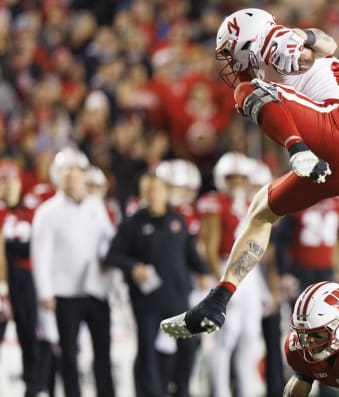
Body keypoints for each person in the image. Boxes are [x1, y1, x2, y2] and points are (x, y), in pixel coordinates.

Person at [161, 8, 339, 338]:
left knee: (247, 93)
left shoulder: (275, 41)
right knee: (260, 212)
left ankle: (296, 150)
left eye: (229, 50)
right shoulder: (278, 45)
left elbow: (311, 53)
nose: (229, 60)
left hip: (332, 131)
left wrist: (295, 44)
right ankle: (219, 298)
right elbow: (326, 45)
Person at [106, 173, 211, 397]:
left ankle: (181, 390)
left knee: (188, 347)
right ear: (142, 194)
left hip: (177, 296)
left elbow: (189, 252)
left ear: (165, 192)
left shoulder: (177, 220)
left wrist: (202, 272)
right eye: (148, 190)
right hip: (146, 300)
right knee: (147, 349)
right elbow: (113, 254)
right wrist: (133, 267)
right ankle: (151, 393)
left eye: (157, 189)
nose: (153, 195)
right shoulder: (133, 223)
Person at [31, 147, 116, 397]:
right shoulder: (47, 212)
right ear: (57, 176)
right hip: (64, 292)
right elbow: (40, 255)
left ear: (84, 175)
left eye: (77, 172)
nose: (72, 177)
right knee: (69, 353)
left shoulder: (95, 206)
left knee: (103, 350)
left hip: (95, 290)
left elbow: (108, 241)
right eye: (66, 173)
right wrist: (45, 292)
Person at [194, 152, 266, 397]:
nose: (236, 183)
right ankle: (221, 392)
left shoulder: (249, 203)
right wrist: (223, 283)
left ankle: (247, 391)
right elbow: (209, 248)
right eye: (231, 178)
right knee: (226, 337)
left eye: (241, 178)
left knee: (249, 336)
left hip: (251, 272)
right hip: (228, 268)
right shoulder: (215, 202)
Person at [0, 161, 55, 397]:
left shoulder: (34, 206)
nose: (9, 186)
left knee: (30, 334)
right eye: (3, 181)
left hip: (28, 279)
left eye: (12, 180)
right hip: (4, 279)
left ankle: (33, 388)